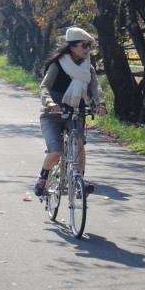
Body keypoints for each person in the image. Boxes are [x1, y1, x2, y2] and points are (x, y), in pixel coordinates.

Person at [33, 27, 107, 198]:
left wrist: (100, 104)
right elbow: (45, 86)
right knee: (57, 151)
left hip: (75, 112)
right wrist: (49, 102)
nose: (87, 50)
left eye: (89, 46)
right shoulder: (57, 63)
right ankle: (43, 176)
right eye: (84, 46)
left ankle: (79, 179)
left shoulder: (88, 67)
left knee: (79, 142)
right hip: (52, 115)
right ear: (72, 47)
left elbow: (95, 87)